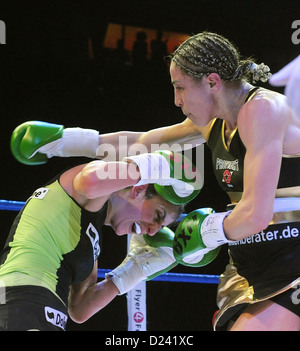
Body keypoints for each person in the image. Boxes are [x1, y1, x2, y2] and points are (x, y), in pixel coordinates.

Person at [10, 32, 300, 331]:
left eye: (180, 88)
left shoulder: (262, 110)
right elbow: (144, 141)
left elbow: (256, 214)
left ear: (212, 82)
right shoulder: (213, 123)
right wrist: (64, 142)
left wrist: (208, 230)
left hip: (293, 255)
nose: (176, 100)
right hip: (252, 260)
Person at [0, 149, 204, 331]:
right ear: (139, 189)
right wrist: (151, 167)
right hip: (20, 295)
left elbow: (80, 308)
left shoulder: (91, 239)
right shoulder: (88, 185)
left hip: (41, 308)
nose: (152, 232)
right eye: (158, 216)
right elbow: (90, 181)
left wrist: (135, 269)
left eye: (160, 228)